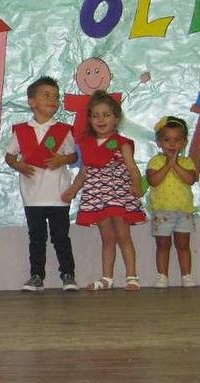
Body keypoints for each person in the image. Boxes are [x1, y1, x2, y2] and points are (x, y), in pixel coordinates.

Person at [62, 91, 145, 291]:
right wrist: (72, 190)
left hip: (117, 195)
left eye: (106, 115)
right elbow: (84, 172)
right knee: (107, 238)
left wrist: (136, 184)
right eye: (95, 115)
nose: (101, 120)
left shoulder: (121, 143)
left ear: (116, 118)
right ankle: (107, 278)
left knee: (123, 236)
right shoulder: (87, 144)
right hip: (97, 197)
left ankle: (132, 276)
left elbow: (131, 166)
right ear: (89, 119)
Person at [5, 77, 78, 292]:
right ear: (31, 102)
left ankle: (68, 274)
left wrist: (61, 160)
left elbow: (73, 156)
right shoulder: (21, 130)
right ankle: (36, 276)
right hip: (33, 195)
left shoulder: (63, 130)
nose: (53, 100)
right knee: (36, 238)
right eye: (46, 95)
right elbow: (10, 156)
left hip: (58, 194)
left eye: (56, 97)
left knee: (61, 237)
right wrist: (18, 166)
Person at [146, 116, 198, 289]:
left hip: (184, 211)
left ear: (184, 142)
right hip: (162, 212)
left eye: (177, 140)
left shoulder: (187, 162)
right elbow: (154, 181)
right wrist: (168, 164)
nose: (172, 144)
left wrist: (175, 165)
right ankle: (162, 276)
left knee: (183, 245)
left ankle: (187, 276)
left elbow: (190, 179)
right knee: (163, 245)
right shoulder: (156, 161)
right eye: (167, 140)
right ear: (159, 142)